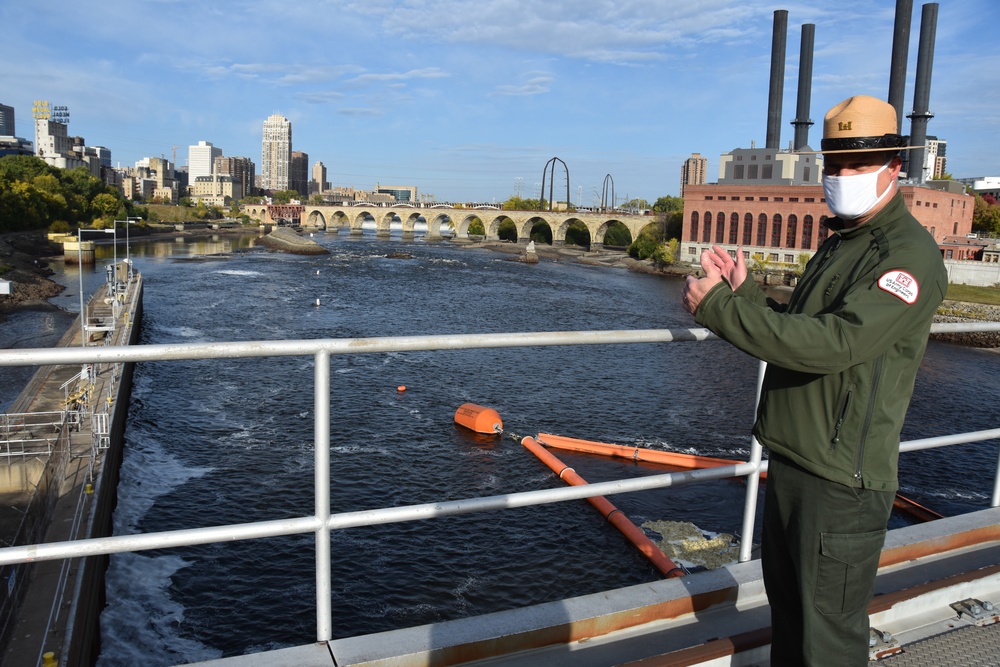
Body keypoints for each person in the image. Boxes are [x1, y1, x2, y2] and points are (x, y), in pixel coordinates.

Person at [681, 95, 947, 665]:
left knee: (825, 641)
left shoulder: (907, 256)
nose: (843, 177)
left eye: (858, 165)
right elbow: (805, 328)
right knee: (793, 625)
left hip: (841, 481)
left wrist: (719, 311)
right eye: (835, 165)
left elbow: (839, 343)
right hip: (798, 461)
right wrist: (745, 294)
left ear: (895, 168)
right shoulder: (843, 244)